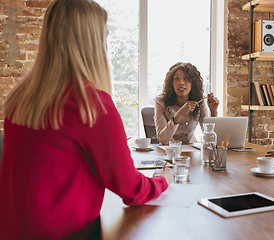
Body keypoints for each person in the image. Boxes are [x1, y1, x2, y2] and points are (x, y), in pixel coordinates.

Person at [0, 0, 172, 239]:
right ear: (91, 44)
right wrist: (163, 180)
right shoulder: (91, 105)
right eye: (104, 38)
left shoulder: (21, 99)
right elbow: (131, 190)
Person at [154, 62, 219, 144]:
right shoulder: (161, 102)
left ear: (193, 83)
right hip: (168, 151)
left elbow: (211, 137)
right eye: (177, 79)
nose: (181, 82)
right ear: (171, 83)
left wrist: (213, 111)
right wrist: (179, 114)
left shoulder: (199, 101)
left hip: (192, 150)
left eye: (186, 78)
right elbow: (163, 140)